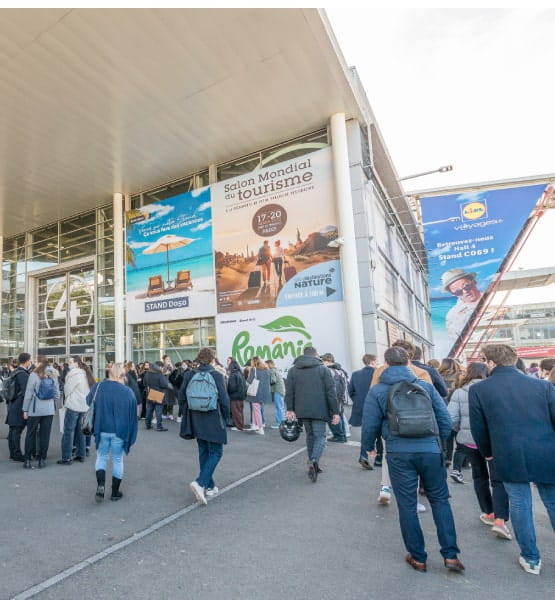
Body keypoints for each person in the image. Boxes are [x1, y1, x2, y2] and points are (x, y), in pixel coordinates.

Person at [361, 346, 464, 573]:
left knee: (407, 505)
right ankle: (451, 556)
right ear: (409, 363)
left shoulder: (378, 390)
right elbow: (445, 421)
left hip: (399, 452)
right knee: (440, 501)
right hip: (430, 450)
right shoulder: (425, 386)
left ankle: (418, 557)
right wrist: (437, 443)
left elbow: (369, 425)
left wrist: (368, 449)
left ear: (385, 365)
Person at [469, 343, 555, 575]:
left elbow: (479, 427)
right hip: (546, 450)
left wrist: (488, 453)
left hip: (507, 453)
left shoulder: (479, 390)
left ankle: (531, 558)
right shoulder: (542, 386)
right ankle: (530, 557)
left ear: (490, 362)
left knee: (520, 504)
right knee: (552, 502)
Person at [448, 361, 511, 539]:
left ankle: (488, 512)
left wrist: (460, 430)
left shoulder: (460, 392)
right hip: (494, 442)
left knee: (479, 476)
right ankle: (500, 519)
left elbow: (451, 418)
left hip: (469, 442)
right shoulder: (494, 389)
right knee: (498, 479)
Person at [179, 347, 230, 505]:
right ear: (212, 359)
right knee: (216, 451)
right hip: (214, 417)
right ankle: (200, 482)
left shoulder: (190, 374)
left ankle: (209, 485)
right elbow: (224, 400)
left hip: (196, 418)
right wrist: (226, 417)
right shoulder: (216, 375)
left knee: (203, 450)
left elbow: (181, 396)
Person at [285, 346, 339, 482]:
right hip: (320, 409)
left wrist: (290, 409)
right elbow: (331, 393)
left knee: (310, 436)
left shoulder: (293, 370)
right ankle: (314, 460)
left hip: (302, 409)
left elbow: (289, 392)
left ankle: (313, 464)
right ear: (316, 355)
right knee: (320, 436)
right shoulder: (323, 370)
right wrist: (335, 412)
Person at [89, 363, 138, 502]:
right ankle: (115, 493)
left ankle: (100, 486)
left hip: (101, 428)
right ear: (122, 375)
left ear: (109, 373)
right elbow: (133, 413)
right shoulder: (127, 392)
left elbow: (88, 401)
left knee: (101, 457)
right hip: (120, 431)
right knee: (117, 459)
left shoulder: (98, 387)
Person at [22, 356, 61, 469]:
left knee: (30, 434)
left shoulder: (33, 374)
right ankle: (42, 460)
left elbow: (28, 394)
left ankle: (27, 460)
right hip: (49, 410)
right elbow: (57, 393)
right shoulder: (54, 373)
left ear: (39, 363)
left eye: (35, 361)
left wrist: (25, 409)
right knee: (45, 435)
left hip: (35, 409)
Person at [58, 356, 95, 465]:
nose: (69, 364)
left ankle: (66, 457)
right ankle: (81, 454)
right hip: (84, 406)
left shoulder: (73, 374)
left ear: (76, 363)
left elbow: (67, 390)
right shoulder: (86, 374)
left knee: (68, 432)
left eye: (70, 362)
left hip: (73, 405)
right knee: (80, 431)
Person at [348, 354, 377, 469]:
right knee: (379, 433)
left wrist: (358, 401)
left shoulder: (355, 374)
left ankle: (363, 456)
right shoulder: (378, 373)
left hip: (361, 407)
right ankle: (378, 459)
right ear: (373, 361)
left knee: (365, 432)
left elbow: (350, 391)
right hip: (376, 406)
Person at [442, 268, 483, 341]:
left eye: (467, 286)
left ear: (474, 282)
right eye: (458, 292)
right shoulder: (452, 316)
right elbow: (456, 341)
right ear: (453, 294)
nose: (465, 292)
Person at [6, 353, 32, 462]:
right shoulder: (23, 375)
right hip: (19, 405)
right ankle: (16, 454)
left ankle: (13, 453)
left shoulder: (15, 372)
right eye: (30, 360)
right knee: (17, 430)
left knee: (13, 431)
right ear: (26, 361)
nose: (30, 362)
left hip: (12, 404)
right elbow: (27, 392)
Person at [321, 353, 349, 443]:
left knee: (333, 417)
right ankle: (342, 435)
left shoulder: (329, 371)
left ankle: (338, 436)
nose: (322, 363)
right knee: (339, 415)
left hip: (334, 398)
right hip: (341, 398)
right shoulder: (340, 370)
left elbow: (333, 387)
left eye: (323, 361)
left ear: (327, 361)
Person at [245, 357, 272, 434]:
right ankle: (254, 425)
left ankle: (260, 428)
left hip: (256, 393)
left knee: (256, 410)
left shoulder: (254, 369)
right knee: (256, 409)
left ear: (254, 362)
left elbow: (249, 381)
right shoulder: (267, 370)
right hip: (264, 393)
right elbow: (270, 381)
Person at [142, 361, 170, 431]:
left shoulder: (147, 374)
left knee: (149, 410)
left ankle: (148, 425)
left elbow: (144, 383)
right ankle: (159, 426)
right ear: (159, 367)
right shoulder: (159, 374)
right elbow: (164, 385)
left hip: (150, 393)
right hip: (158, 394)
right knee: (158, 411)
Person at [227, 359, 247, 430]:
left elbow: (232, 387)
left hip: (235, 396)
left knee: (236, 412)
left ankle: (239, 426)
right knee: (240, 411)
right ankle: (241, 425)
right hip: (241, 396)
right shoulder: (240, 373)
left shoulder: (233, 374)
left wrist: (227, 389)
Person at [266, 359, 286, 428]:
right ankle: (283, 423)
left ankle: (279, 424)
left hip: (278, 390)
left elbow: (273, 381)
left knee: (279, 407)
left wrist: (266, 383)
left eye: (267, 365)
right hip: (281, 390)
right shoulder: (276, 370)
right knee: (281, 407)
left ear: (270, 364)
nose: (266, 366)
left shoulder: (272, 371)